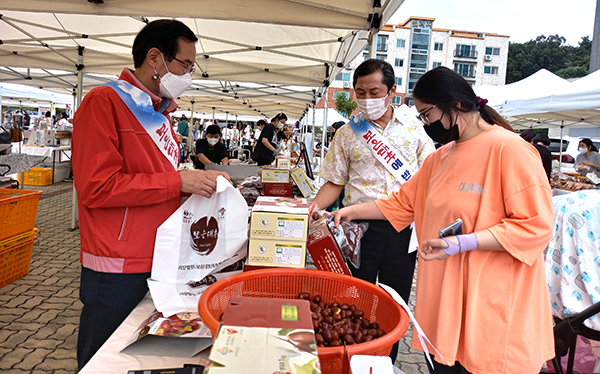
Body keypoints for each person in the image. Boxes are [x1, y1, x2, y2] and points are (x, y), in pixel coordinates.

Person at [333, 66, 554, 374]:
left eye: (427, 115)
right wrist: (348, 211)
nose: (425, 124)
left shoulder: (510, 150)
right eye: (421, 117)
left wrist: (464, 242)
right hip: (444, 305)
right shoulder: (440, 157)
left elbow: (536, 225)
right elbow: (403, 202)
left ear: (458, 104)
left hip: (490, 305)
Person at [72, 19, 230, 370]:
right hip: (116, 264)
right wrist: (178, 183)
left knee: (138, 357)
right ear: (156, 58)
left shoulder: (161, 115)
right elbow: (97, 187)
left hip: (160, 257)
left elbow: (157, 180)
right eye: (186, 65)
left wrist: (198, 185)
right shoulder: (104, 102)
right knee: (103, 359)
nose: (189, 74)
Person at [312, 59, 435, 362]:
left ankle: (385, 362)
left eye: (374, 91)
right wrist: (308, 209)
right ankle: (353, 358)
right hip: (356, 229)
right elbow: (334, 184)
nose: (367, 99)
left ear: (392, 91)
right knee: (353, 297)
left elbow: (431, 179)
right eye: (360, 92)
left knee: (395, 301)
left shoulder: (414, 131)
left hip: (401, 228)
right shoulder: (347, 133)